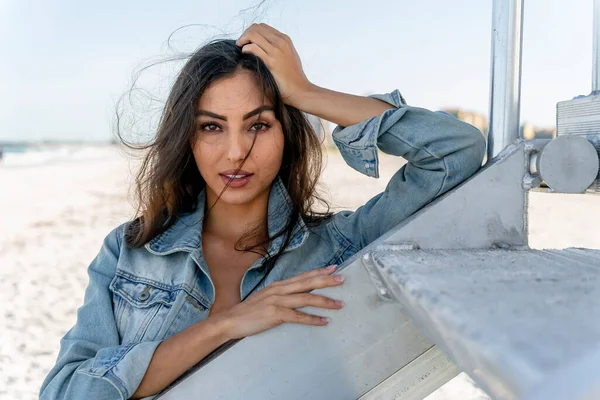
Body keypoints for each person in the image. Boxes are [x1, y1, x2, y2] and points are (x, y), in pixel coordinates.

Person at [40, 23, 485, 399]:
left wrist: (306, 92)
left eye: (258, 124)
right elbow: (65, 390)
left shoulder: (342, 247)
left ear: (286, 133)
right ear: (187, 138)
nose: (236, 152)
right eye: (211, 126)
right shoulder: (133, 250)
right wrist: (227, 326)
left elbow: (454, 152)